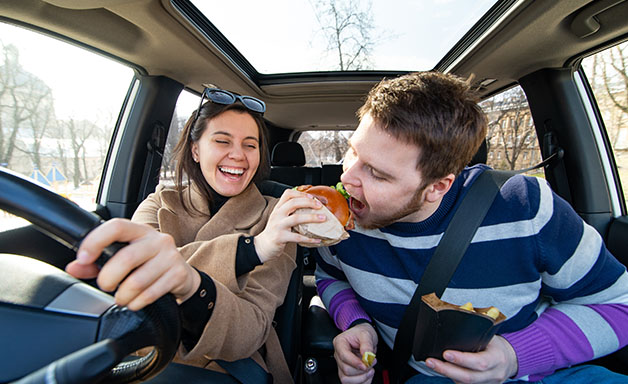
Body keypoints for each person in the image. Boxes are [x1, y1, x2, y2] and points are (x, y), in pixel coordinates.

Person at [313, 72, 628, 383]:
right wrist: (357, 323)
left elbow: (621, 305)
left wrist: (513, 355)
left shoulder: (524, 206)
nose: (346, 177)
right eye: (353, 151)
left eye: (376, 173)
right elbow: (331, 277)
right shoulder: (340, 223)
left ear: (437, 187)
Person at [66, 87, 326, 383]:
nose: (238, 155)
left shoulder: (278, 218)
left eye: (250, 145)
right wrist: (250, 250)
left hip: (229, 366)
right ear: (195, 149)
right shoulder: (159, 203)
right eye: (222, 141)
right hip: (147, 356)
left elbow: (250, 330)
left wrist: (191, 282)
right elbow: (137, 276)